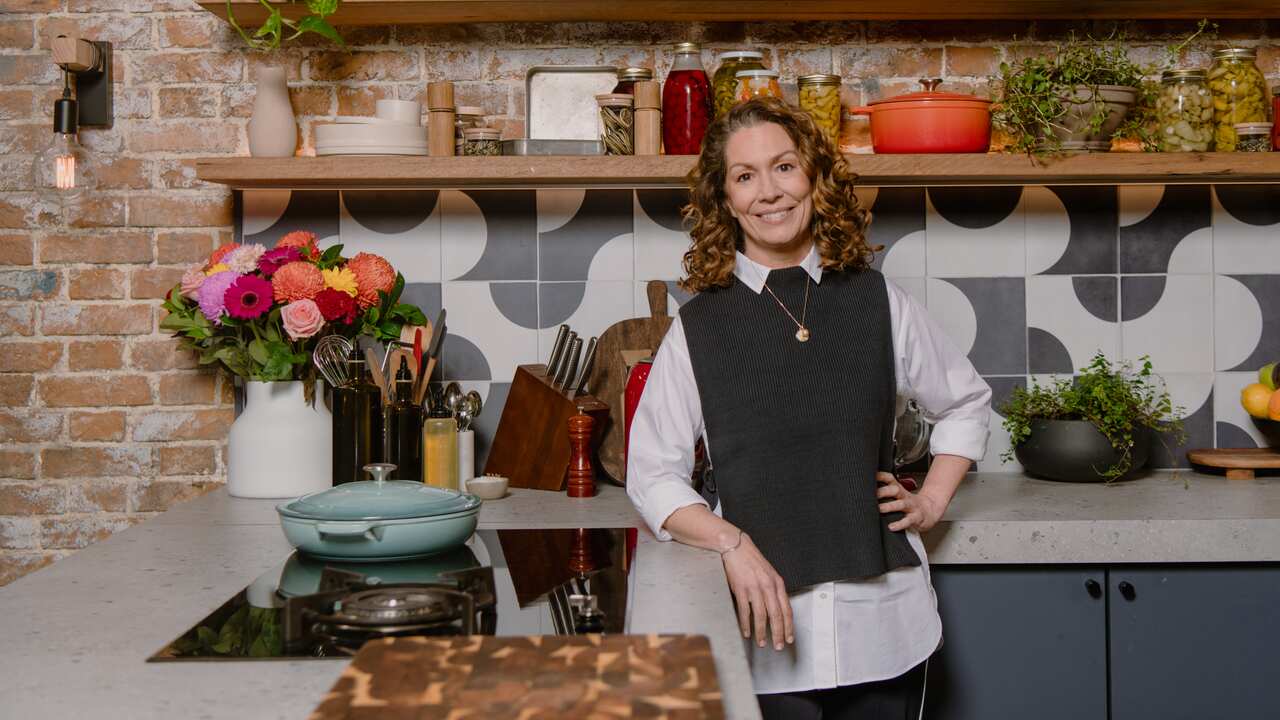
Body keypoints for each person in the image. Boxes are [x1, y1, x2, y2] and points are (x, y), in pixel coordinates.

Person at [625, 97, 992, 720]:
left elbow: (966, 401)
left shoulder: (878, 300)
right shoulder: (699, 328)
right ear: (725, 199)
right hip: (764, 640)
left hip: (884, 628)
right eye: (745, 176)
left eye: (784, 167)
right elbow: (651, 474)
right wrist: (730, 543)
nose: (769, 192)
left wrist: (931, 500)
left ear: (814, 177)